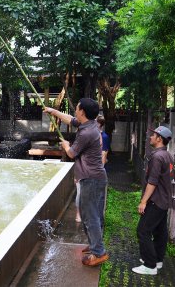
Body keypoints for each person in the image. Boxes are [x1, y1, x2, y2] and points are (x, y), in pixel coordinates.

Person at [44, 98, 108, 266]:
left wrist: (65, 144)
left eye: (77, 108)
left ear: (82, 112)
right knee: (88, 213)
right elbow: (70, 120)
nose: (75, 110)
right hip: (92, 178)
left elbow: (71, 153)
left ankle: (99, 252)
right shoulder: (88, 124)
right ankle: (95, 245)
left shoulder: (87, 133)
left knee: (90, 216)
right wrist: (54, 112)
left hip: (91, 179)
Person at [132, 126, 173, 275]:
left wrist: (143, 201)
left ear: (159, 139)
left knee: (143, 230)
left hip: (156, 201)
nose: (150, 137)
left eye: (153, 135)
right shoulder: (168, 155)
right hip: (164, 201)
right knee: (160, 231)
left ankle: (150, 266)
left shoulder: (157, 157)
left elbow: (153, 182)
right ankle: (158, 260)